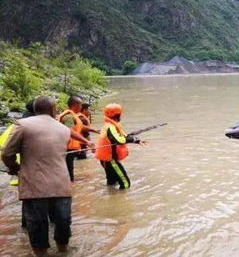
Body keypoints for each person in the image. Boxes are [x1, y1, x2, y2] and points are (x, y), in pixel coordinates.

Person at [1, 96, 92, 256]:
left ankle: (41, 254)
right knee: (63, 222)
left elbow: (7, 154)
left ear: (35, 110)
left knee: (37, 224)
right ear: (53, 110)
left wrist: (15, 168)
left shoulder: (22, 125)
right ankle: (63, 251)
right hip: (61, 184)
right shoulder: (62, 128)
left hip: (33, 185)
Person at [95, 103, 146, 189]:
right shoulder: (110, 127)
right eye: (120, 114)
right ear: (117, 115)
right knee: (125, 183)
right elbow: (119, 140)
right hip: (110, 160)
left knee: (111, 182)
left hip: (105, 159)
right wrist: (132, 139)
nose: (121, 116)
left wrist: (137, 141)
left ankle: (110, 199)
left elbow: (124, 136)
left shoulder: (109, 125)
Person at [58, 96, 98, 181]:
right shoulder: (68, 117)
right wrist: (87, 142)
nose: (81, 106)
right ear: (75, 105)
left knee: (69, 172)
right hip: (67, 149)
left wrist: (95, 130)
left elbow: (81, 127)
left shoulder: (73, 116)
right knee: (68, 175)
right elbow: (69, 131)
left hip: (70, 148)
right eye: (80, 104)